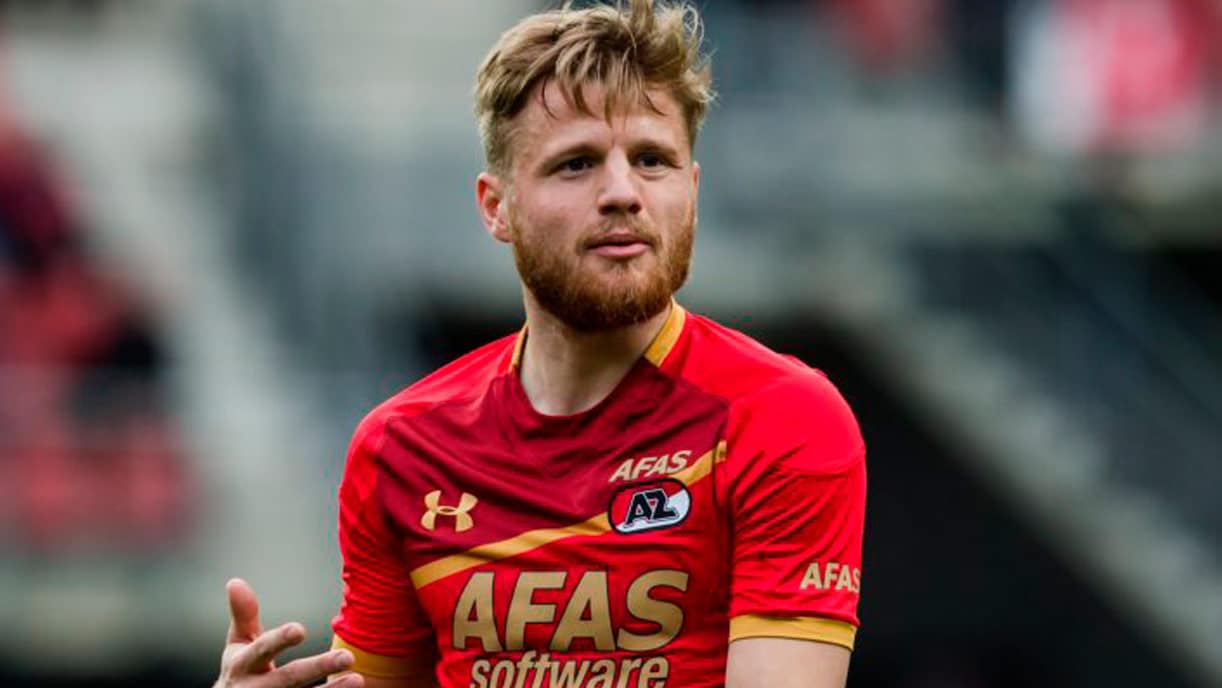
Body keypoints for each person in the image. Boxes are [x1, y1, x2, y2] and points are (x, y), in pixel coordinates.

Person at [213, 1, 866, 686]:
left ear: (692, 190)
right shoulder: (400, 449)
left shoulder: (782, 418)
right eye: (576, 164)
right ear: (497, 207)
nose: (623, 193)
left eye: (652, 160)